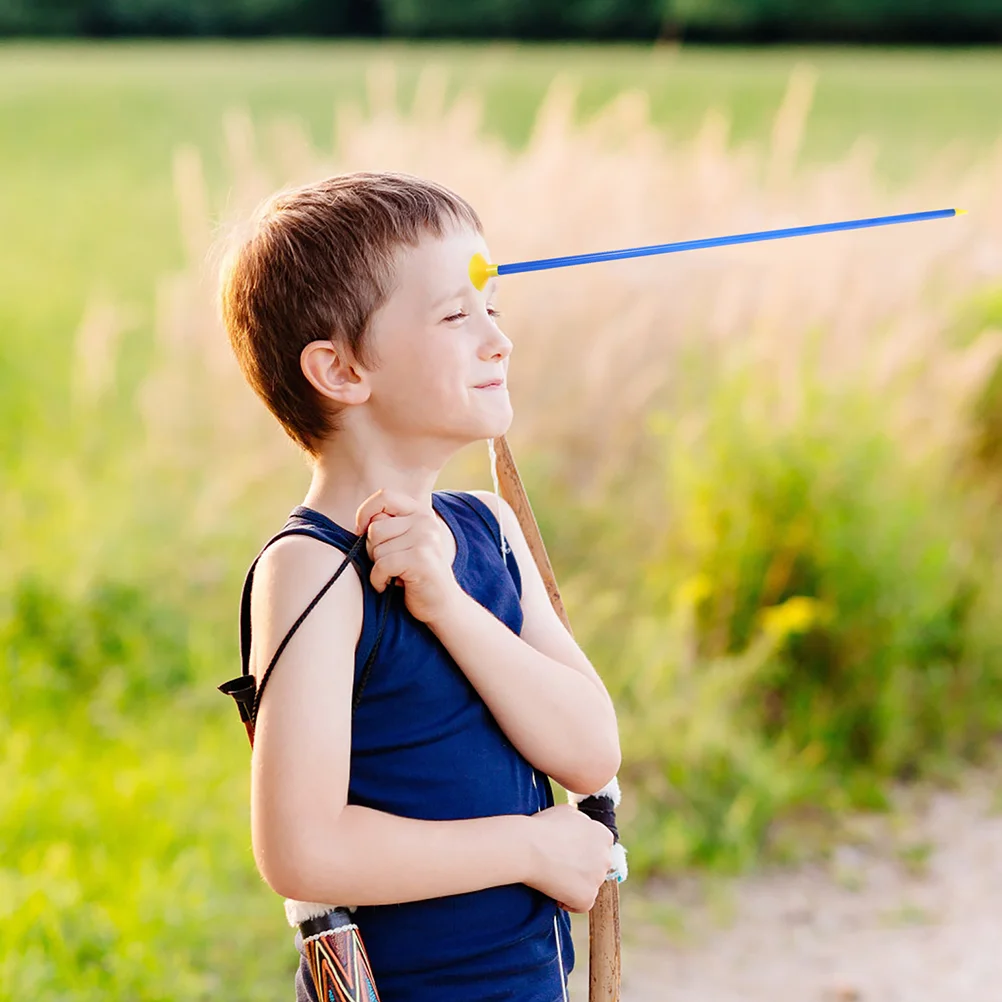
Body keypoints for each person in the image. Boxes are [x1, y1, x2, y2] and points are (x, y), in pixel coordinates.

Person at [218, 171, 622, 1001]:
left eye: (494, 311)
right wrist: (527, 848)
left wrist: (446, 602)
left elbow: (590, 751)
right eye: (455, 316)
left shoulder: (491, 531)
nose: (498, 341)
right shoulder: (313, 571)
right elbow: (302, 848)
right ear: (340, 370)